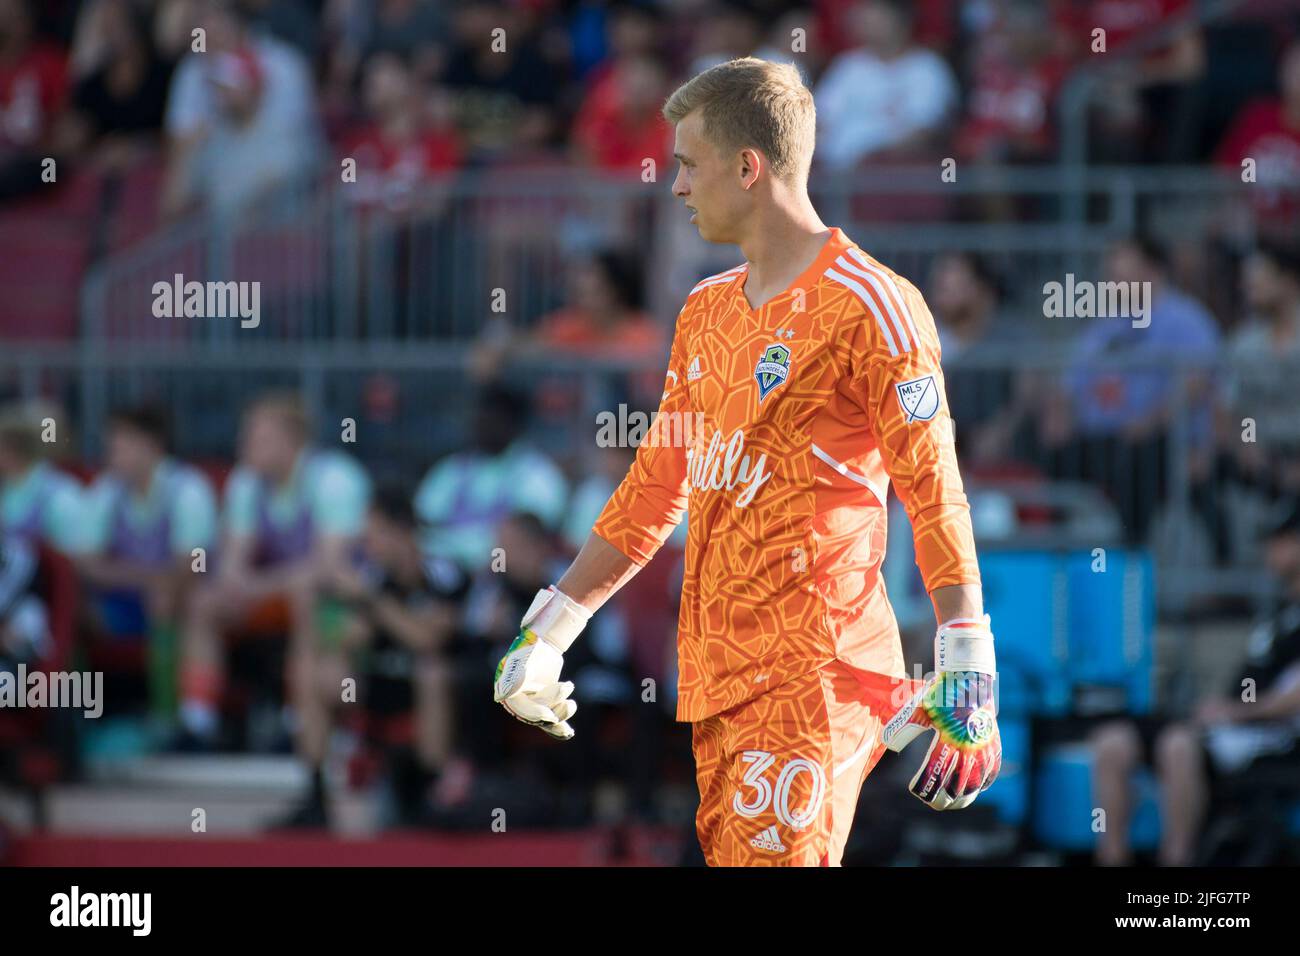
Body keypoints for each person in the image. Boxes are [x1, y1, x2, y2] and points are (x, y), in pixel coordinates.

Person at [492, 58, 1001, 866]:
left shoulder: (874, 304)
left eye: (688, 165)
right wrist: (551, 627)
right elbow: (656, 488)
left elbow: (934, 488)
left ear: (747, 166)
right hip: (717, 677)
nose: (676, 188)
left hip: (814, 669)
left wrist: (968, 657)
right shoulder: (704, 311)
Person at [1090, 498, 1300, 866]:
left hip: (1264, 736)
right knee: (1112, 741)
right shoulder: (1282, 613)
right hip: (1223, 727)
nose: (1268, 550)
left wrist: (1236, 712)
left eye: (1279, 540)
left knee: (1177, 745)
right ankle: (1112, 856)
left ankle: (1178, 859)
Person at [176, 393, 370, 761]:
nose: (243, 446)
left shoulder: (334, 479)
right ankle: (197, 723)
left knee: (306, 593)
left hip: (341, 602)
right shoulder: (246, 482)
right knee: (203, 601)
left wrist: (257, 585)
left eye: (257, 438)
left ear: (291, 440)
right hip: (275, 592)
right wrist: (239, 584)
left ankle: (296, 720)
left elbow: (329, 566)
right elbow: (234, 562)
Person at [297, 484, 469, 828]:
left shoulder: (443, 572)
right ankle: (315, 795)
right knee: (321, 672)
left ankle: (429, 791)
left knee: (431, 671)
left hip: (443, 691)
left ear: (400, 532)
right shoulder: (371, 576)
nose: (367, 543)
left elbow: (426, 639)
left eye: (374, 533)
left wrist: (373, 601)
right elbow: (344, 634)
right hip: (379, 684)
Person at [78, 406, 218, 725]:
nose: (112, 454)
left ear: (151, 445)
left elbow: (192, 564)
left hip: (178, 599)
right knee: (73, 612)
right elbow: (85, 564)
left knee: (167, 601)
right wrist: (149, 578)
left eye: (121, 445)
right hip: (125, 601)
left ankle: (174, 719)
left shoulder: (188, 489)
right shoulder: (106, 489)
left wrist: (156, 583)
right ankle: (75, 715)